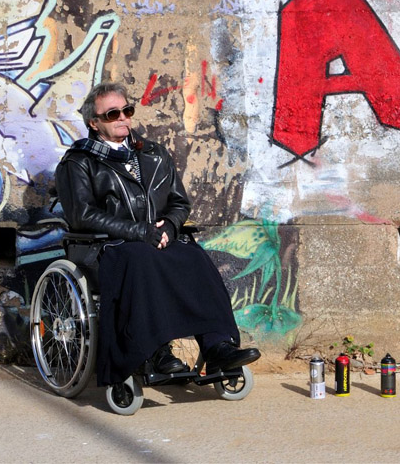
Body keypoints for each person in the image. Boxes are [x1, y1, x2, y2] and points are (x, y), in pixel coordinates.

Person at [55, 81, 260, 386]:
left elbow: (179, 203)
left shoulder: (153, 153)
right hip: (107, 247)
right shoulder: (78, 162)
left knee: (193, 257)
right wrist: (140, 231)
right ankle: (156, 352)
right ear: (94, 123)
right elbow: (82, 215)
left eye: (126, 110)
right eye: (112, 114)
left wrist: (171, 227)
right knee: (141, 258)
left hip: (156, 240)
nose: (122, 117)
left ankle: (218, 346)